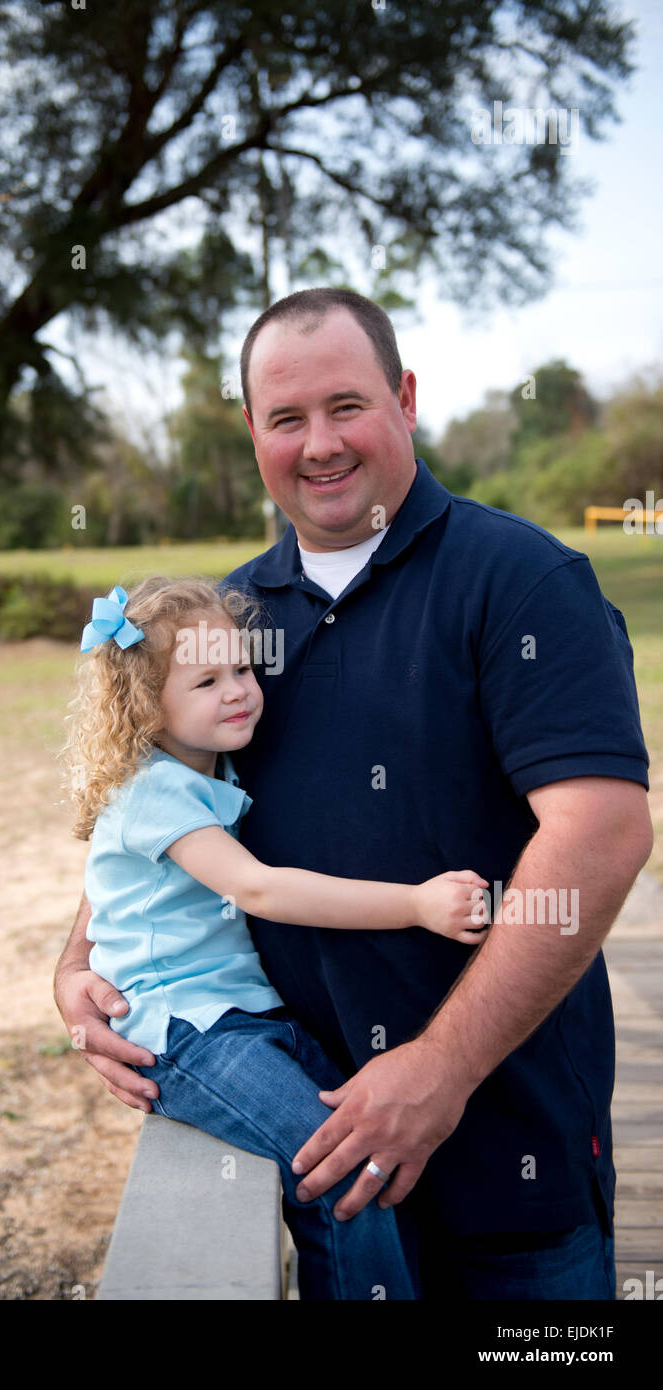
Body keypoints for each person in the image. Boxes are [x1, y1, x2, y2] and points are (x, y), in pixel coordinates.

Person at [55, 288, 653, 1300]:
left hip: (510, 1162)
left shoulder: (521, 580)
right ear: (252, 431)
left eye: (346, 406)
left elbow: (603, 832)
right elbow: (157, 800)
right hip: (326, 1153)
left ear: (406, 398)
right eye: (286, 418)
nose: (319, 443)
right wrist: (76, 970)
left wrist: (439, 1070)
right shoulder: (227, 624)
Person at [63, 574, 490, 1299]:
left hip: (251, 1022)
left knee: (369, 1153)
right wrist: (417, 904)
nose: (237, 691)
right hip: (185, 1033)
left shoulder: (208, 766)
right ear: (144, 704)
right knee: (343, 1171)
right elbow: (258, 888)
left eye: (241, 669)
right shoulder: (156, 791)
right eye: (205, 681)